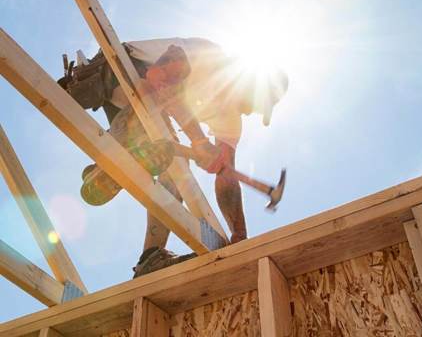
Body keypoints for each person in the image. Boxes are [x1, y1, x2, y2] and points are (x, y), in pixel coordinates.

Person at [59, 37, 288, 275]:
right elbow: (158, 77)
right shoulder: (209, 56)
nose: (249, 111)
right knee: (162, 126)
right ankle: (114, 157)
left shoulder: (231, 119)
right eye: (254, 103)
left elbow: (226, 177)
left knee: (174, 168)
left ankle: (150, 257)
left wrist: (239, 234)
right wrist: (199, 141)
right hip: (122, 71)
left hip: (134, 109)